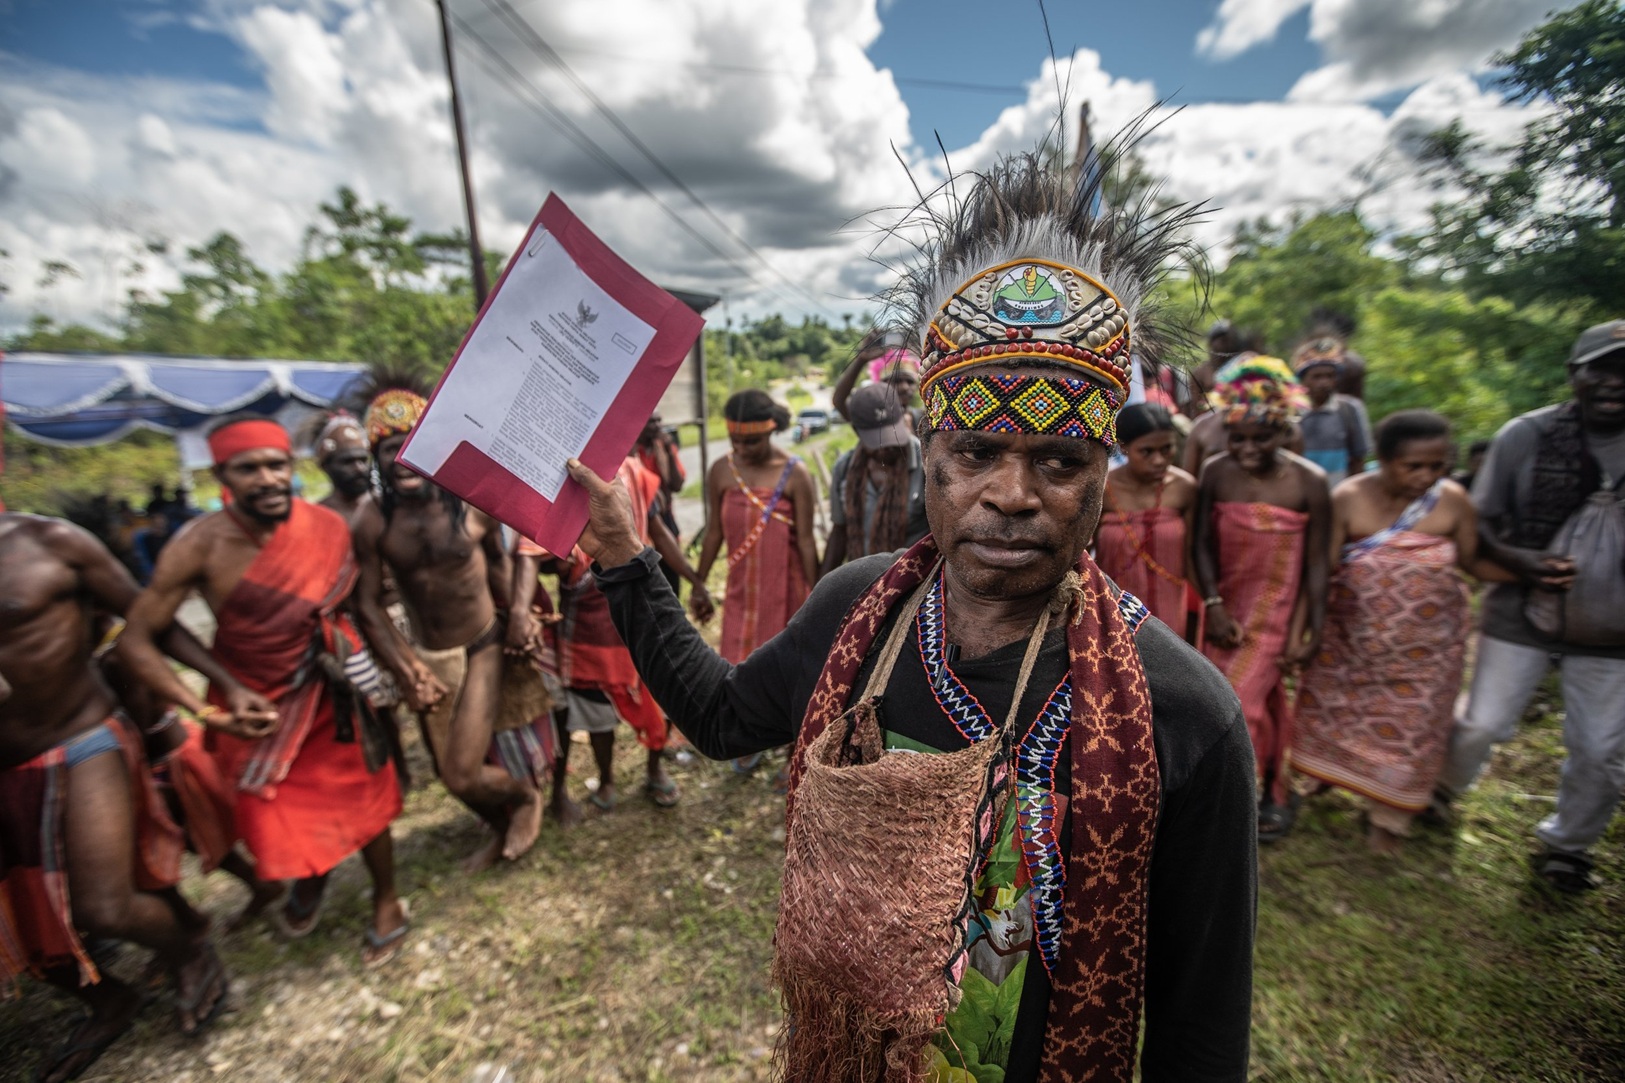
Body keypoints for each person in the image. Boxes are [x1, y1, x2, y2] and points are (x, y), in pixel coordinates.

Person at [568, 151, 1255, 1081]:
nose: (1011, 494)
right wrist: (625, 555)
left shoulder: (1183, 715)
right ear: (929, 455)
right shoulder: (858, 609)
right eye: (975, 452)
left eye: (1057, 461)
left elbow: (1198, 1028)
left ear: (1103, 477)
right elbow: (722, 718)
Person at [119, 415, 408, 964]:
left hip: (331, 691)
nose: (268, 479)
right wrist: (208, 710)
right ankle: (312, 874)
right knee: (276, 810)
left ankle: (387, 897)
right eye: (248, 469)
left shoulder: (328, 527)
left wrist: (390, 671)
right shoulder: (198, 544)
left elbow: (357, 606)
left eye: (276, 465)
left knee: (363, 799)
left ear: (291, 467)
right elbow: (137, 639)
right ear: (221, 475)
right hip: (252, 706)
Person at [1, 513, 229, 1083]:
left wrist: (222, 687)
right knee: (17, 926)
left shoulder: (48, 542)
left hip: (79, 739)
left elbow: (148, 618)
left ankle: (189, 946)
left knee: (102, 906)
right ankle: (108, 1000)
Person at [1439, 320, 1625, 893]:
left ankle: (1569, 846)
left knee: (1600, 748)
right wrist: (1519, 561)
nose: (1615, 381)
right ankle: (1441, 791)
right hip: (1521, 609)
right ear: (1575, 375)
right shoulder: (1528, 435)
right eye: (1602, 369)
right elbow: (1479, 520)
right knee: (1483, 722)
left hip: (1615, 630)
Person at [349, 383, 552, 872]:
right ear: (376, 460)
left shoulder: (470, 501)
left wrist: (521, 617)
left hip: (482, 643)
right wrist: (406, 669)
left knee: (460, 774)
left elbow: (500, 564)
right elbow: (367, 603)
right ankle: (501, 827)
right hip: (429, 654)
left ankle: (526, 797)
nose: (402, 459)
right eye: (389, 450)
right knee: (450, 774)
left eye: (411, 444)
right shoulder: (371, 520)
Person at [1293, 411, 1480, 852]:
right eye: (1412, 466)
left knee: (1414, 729)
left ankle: (1389, 817)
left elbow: (1474, 562)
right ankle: (1326, 777)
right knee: (1334, 713)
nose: (1425, 477)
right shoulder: (1348, 497)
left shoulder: (1453, 501)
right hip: (1350, 642)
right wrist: (1303, 631)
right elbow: (1319, 569)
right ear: (1384, 458)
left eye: (1436, 466)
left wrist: (1531, 571)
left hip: (1428, 652)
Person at [512, 455, 709, 813]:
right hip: (589, 623)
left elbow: (658, 532)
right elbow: (530, 554)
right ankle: (606, 778)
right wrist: (521, 609)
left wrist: (695, 580)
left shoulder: (633, 472)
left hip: (639, 602)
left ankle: (655, 768)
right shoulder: (553, 474)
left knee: (659, 693)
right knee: (595, 708)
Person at [1193, 355, 1331, 842]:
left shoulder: (1310, 482)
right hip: (1225, 612)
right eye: (1238, 437)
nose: (1248, 449)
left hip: (1276, 615)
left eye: (1262, 438)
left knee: (1237, 706)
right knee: (1261, 704)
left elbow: (1318, 563)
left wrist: (1312, 630)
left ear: (1284, 431)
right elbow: (1199, 544)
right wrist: (1212, 605)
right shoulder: (1215, 472)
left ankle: (1227, 810)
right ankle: (1274, 792)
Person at [696, 390, 819, 664]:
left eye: (751, 442)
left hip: (786, 591)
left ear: (770, 431)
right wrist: (698, 582)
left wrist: (818, 596)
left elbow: (806, 541)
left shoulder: (794, 473)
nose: (741, 449)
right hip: (740, 591)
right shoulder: (721, 471)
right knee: (737, 666)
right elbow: (714, 532)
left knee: (782, 666)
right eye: (735, 441)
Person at [1093, 403, 1199, 641]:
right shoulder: (1102, 490)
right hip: (1114, 607)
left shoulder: (1184, 488)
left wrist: (1211, 602)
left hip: (1171, 604)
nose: (1159, 460)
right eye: (1147, 451)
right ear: (1124, 447)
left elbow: (1195, 551)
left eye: (1167, 449)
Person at [820, 382, 928, 574]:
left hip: (915, 579)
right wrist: (821, 585)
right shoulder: (845, 469)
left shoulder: (925, 463)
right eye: (878, 441)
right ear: (857, 432)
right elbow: (839, 532)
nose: (887, 447)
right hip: (863, 580)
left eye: (892, 435)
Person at [1292, 337, 1372, 487]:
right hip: (1301, 491)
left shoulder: (1349, 409)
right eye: (1316, 377)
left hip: (1338, 490)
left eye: (1330, 376)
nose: (1324, 382)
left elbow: (1358, 459)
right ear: (1303, 380)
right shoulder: (1291, 411)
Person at [312, 411, 373, 525]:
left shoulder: (385, 509)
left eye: (363, 460)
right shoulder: (315, 516)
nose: (359, 468)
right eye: (347, 462)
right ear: (325, 466)